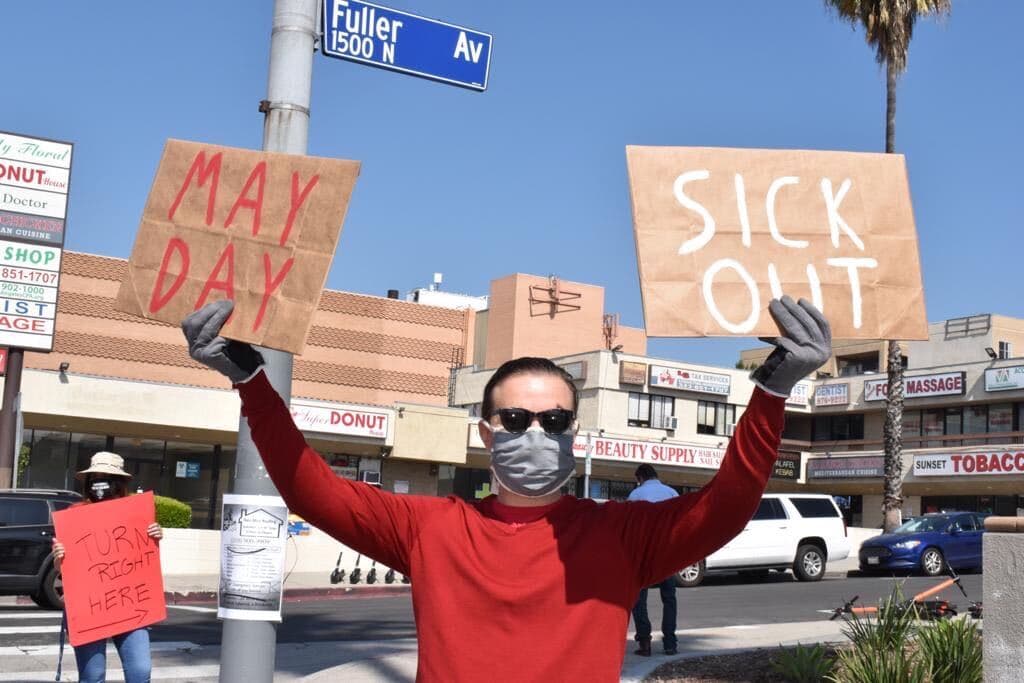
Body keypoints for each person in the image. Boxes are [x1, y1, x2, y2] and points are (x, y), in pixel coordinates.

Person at [181, 295, 830, 682]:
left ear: (575, 432)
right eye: (518, 420)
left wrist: (771, 391)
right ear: (487, 434)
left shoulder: (621, 534)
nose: (537, 432)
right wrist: (251, 382)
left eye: (554, 420)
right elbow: (312, 489)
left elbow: (727, 506)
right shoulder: (432, 527)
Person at [51, 452, 164, 683]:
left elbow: (142, 560)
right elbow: (63, 570)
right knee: (92, 676)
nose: (100, 483)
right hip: (88, 609)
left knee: (140, 671)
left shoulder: (137, 514)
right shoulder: (74, 515)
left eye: (107, 477)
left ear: (120, 482)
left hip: (131, 605)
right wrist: (58, 556)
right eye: (95, 477)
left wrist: (155, 536)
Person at [628, 464, 680, 656]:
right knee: (669, 598)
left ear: (640, 477)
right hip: (667, 553)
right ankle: (670, 643)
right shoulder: (672, 493)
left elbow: (630, 527)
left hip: (643, 553)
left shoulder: (636, 495)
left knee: (639, 599)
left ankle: (645, 643)